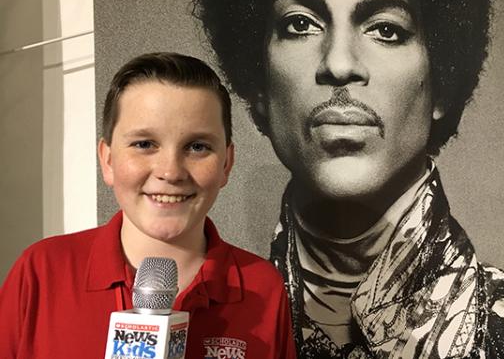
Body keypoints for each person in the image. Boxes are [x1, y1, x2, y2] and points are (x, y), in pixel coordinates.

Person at [193, 0, 504, 357]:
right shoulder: (203, 330)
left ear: (440, 80)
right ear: (260, 83)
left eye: (386, 29)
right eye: (300, 24)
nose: (339, 63)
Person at [0, 52, 297, 359]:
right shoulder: (41, 272)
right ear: (108, 159)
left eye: (197, 147)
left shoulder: (263, 287)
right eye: (144, 144)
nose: (170, 171)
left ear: (226, 163)